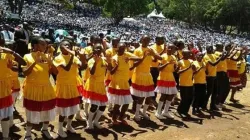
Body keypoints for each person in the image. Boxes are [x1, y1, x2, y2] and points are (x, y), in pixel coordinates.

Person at [22, 37, 56, 140]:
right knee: (32, 112)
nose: (45, 46)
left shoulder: (47, 57)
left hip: (46, 88)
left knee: (47, 111)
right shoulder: (27, 56)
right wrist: (35, 62)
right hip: (33, 88)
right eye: (42, 44)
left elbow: (55, 73)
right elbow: (25, 73)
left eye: (46, 44)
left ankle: (45, 129)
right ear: (35, 45)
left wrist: (50, 62)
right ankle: (28, 134)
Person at [53, 40, 87, 138]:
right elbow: (67, 68)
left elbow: (83, 66)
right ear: (61, 47)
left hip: (73, 85)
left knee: (73, 107)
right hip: (63, 86)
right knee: (63, 109)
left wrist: (82, 57)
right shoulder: (58, 58)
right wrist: (73, 56)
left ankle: (69, 125)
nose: (67, 46)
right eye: (65, 45)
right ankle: (60, 128)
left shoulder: (74, 57)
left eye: (69, 45)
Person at [108, 42, 140, 125]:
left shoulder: (127, 54)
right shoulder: (115, 58)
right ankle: (114, 118)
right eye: (121, 48)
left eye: (124, 48)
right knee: (118, 103)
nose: (123, 50)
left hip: (125, 82)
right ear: (117, 48)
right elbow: (111, 72)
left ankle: (121, 117)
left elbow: (139, 58)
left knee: (126, 102)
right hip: (118, 83)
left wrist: (130, 58)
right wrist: (117, 66)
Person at [131, 35, 162, 121]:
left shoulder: (150, 49)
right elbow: (134, 64)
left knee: (149, 96)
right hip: (139, 75)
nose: (146, 42)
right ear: (141, 40)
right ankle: (136, 114)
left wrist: (153, 54)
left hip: (148, 75)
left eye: (148, 40)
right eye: (145, 40)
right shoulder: (137, 50)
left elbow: (159, 59)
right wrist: (143, 57)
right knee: (141, 96)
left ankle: (144, 112)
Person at [0, 36, 26, 140]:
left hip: (4, 88)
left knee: (5, 112)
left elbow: (23, 63)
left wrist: (11, 52)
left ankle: (6, 136)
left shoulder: (6, 54)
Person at [82, 43, 111, 129]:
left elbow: (109, 69)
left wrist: (109, 62)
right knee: (94, 105)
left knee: (103, 105)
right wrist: (96, 62)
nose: (98, 50)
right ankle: (89, 122)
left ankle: (96, 121)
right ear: (93, 50)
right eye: (97, 49)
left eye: (100, 49)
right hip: (92, 85)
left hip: (101, 85)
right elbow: (92, 72)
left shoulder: (103, 59)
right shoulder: (91, 60)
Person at [155, 44, 177, 119]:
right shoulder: (163, 56)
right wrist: (167, 63)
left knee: (171, 94)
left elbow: (174, 69)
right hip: (163, 77)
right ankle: (158, 112)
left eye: (172, 48)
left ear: (174, 50)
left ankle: (165, 111)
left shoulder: (174, 57)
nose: (170, 49)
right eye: (169, 48)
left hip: (170, 77)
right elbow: (159, 68)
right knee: (163, 95)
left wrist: (176, 67)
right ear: (166, 48)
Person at [202, 45, 223, 111]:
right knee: (209, 92)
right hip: (209, 76)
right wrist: (221, 57)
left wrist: (224, 55)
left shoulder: (213, 55)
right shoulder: (206, 56)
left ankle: (212, 105)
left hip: (214, 75)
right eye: (209, 48)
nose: (211, 49)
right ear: (207, 49)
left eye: (211, 48)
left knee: (215, 92)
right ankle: (204, 105)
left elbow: (219, 59)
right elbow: (213, 64)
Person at [177, 50, 195, 117]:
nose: (189, 55)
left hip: (190, 83)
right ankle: (180, 110)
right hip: (183, 83)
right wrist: (187, 68)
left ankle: (185, 111)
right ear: (183, 54)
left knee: (190, 98)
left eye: (189, 54)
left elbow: (194, 70)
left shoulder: (191, 61)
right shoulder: (180, 62)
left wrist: (194, 68)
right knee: (184, 98)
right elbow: (178, 72)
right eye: (187, 54)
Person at [150, 35, 165, 107]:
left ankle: (152, 98)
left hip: (159, 68)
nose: (162, 41)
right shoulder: (152, 47)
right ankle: (152, 99)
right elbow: (155, 57)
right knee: (153, 84)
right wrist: (163, 50)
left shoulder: (162, 47)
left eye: (162, 39)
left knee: (157, 84)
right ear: (157, 40)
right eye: (161, 40)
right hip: (153, 68)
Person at [214, 44, 230, 109]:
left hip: (224, 72)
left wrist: (228, 52)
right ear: (218, 47)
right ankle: (216, 103)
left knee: (227, 88)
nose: (222, 48)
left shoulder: (221, 53)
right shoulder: (216, 53)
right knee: (220, 89)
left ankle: (221, 102)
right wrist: (227, 52)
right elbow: (222, 59)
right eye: (221, 47)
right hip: (219, 73)